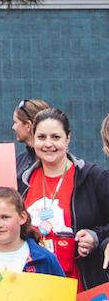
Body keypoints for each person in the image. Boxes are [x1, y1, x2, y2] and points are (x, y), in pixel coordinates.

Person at [19, 108, 109, 290]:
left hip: (82, 287)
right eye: (41, 137)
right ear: (33, 139)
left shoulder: (93, 177)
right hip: (32, 288)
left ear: (68, 139)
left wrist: (95, 236)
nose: (48, 144)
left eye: (56, 137)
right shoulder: (21, 181)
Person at [12, 99, 51, 177]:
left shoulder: (54, 162)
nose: (13, 127)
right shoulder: (20, 161)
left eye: (15, 122)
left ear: (28, 125)